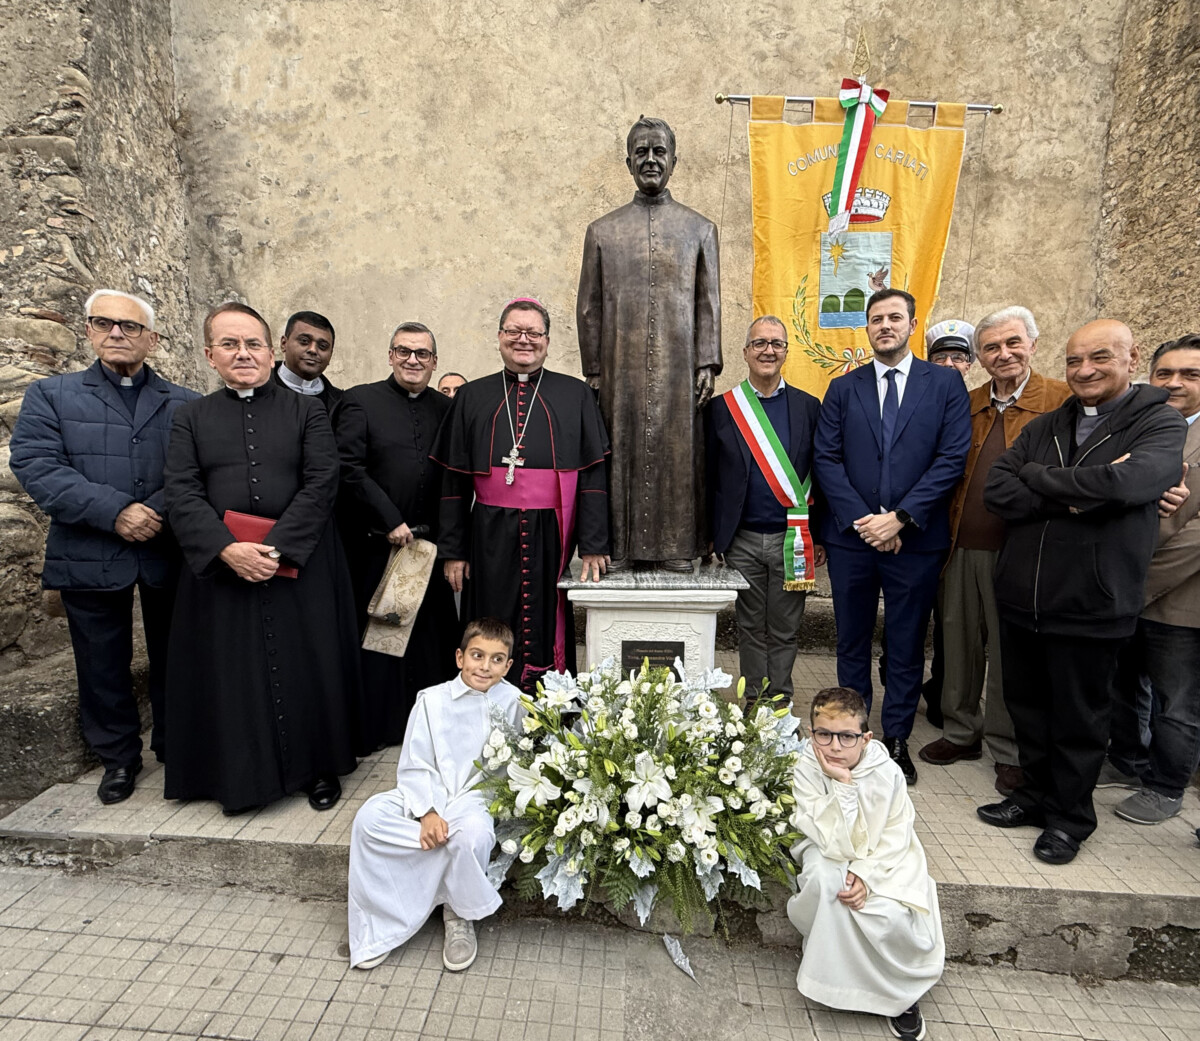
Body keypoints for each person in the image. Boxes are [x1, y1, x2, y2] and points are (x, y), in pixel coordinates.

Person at [979, 319, 1187, 864]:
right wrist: (1077, 495)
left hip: (1092, 601)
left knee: (1080, 718)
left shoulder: (1159, 423)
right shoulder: (1048, 423)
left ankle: (1069, 819)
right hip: (1023, 597)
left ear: (1131, 358)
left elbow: (1132, 482)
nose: (1085, 370)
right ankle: (1032, 797)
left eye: (1100, 357)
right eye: (1074, 360)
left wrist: (1038, 477)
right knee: (1028, 708)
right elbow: (998, 489)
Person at [163, 302, 359, 815]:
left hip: (299, 566)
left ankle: (317, 767)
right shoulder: (190, 418)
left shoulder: (307, 412)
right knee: (232, 675)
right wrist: (227, 549)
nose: (243, 353)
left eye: (253, 344)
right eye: (229, 344)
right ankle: (237, 776)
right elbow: (181, 490)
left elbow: (322, 481)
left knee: (308, 665)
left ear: (272, 352)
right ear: (210, 355)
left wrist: (276, 548)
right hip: (222, 570)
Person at [9, 290, 198, 804]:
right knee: (100, 662)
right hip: (88, 548)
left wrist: (154, 510)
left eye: (130, 326)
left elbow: (197, 469)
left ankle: (177, 744)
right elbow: (37, 465)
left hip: (166, 548)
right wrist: (115, 511)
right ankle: (118, 757)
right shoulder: (51, 395)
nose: (117, 333)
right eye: (105, 323)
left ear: (151, 339)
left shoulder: (186, 402)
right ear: (89, 330)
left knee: (178, 653)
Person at [812, 289, 971, 784]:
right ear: (867, 328)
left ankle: (896, 737)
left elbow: (951, 458)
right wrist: (867, 522)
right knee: (852, 641)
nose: (885, 325)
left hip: (916, 541)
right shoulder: (843, 387)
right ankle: (850, 734)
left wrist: (900, 518)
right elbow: (826, 459)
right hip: (853, 540)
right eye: (876, 318)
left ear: (912, 325)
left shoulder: (944, 384)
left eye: (895, 317)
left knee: (905, 643)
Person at [919, 308, 1071, 798]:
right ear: (980, 357)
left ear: (1033, 344)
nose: (1003, 354)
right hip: (960, 544)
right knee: (958, 640)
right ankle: (961, 731)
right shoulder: (966, 403)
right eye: (991, 347)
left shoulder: (1059, 400)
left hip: (1022, 550)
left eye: (1012, 343)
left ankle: (1008, 747)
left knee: (1010, 653)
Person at [432, 298, 610, 692]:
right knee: (489, 618)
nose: (523, 339)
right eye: (514, 331)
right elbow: (454, 483)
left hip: (552, 533)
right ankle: (486, 700)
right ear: (500, 337)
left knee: (547, 619)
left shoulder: (576, 395)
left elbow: (593, 476)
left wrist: (594, 545)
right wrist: (454, 551)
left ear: (547, 340)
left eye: (533, 332)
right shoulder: (472, 396)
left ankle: (547, 705)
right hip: (488, 534)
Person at [577, 116, 721, 571]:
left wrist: (707, 362)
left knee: (679, 454)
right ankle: (620, 547)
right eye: (641, 152)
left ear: (675, 160)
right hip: (619, 365)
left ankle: (677, 546)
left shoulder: (700, 229)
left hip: (680, 366)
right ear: (628, 163)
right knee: (620, 451)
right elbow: (589, 306)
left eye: (660, 151)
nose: (651, 160)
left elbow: (708, 301)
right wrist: (595, 369)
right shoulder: (603, 230)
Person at [347, 617, 524, 972]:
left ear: (508, 666)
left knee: (473, 835)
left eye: (496, 659)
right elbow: (415, 762)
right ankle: (384, 917)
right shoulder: (431, 700)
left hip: (475, 798)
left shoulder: (517, 703)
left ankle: (458, 913)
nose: (485, 666)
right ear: (460, 657)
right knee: (369, 819)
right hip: (427, 793)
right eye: (477, 655)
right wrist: (427, 812)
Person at [787, 686, 944, 1041]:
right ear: (811, 733)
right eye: (824, 735)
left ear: (866, 738)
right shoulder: (807, 768)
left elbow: (896, 832)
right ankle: (831, 975)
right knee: (829, 884)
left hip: (884, 857)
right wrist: (843, 785)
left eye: (846, 736)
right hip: (827, 848)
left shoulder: (887, 772)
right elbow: (828, 836)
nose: (835, 746)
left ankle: (900, 994)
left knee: (890, 913)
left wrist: (866, 874)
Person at [335, 321, 458, 748]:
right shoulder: (360, 401)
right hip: (378, 545)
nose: (412, 360)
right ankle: (380, 728)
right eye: (403, 351)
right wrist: (389, 518)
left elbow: (455, 477)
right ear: (390, 356)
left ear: (434, 362)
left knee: (429, 641)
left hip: (429, 549)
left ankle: (428, 728)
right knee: (379, 641)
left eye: (422, 353)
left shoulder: (446, 409)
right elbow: (348, 467)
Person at [1101, 334, 1200, 825]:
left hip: (1179, 598)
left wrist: (1133, 579)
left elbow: (1194, 538)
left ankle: (1166, 785)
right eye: (1165, 373)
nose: (1174, 383)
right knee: (1123, 685)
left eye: (1190, 374)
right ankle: (1126, 760)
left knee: (1176, 701)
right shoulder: (1141, 427)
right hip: (1123, 590)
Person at [706, 315, 823, 701]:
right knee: (750, 628)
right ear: (745, 352)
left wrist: (820, 536)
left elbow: (821, 474)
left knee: (786, 630)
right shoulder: (722, 408)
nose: (768, 350)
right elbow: (707, 476)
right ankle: (755, 703)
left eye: (776, 343)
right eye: (759, 343)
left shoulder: (809, 406)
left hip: (793, 539)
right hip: (741, 540)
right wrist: (709, 536)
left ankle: (780, 704)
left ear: (786, 352)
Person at [273, 310, 343, 414]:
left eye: (322, 346)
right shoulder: (256, 388)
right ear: (284, 344)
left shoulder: (340, 404)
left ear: (331, 355)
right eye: (304, 341)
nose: (313, 350)